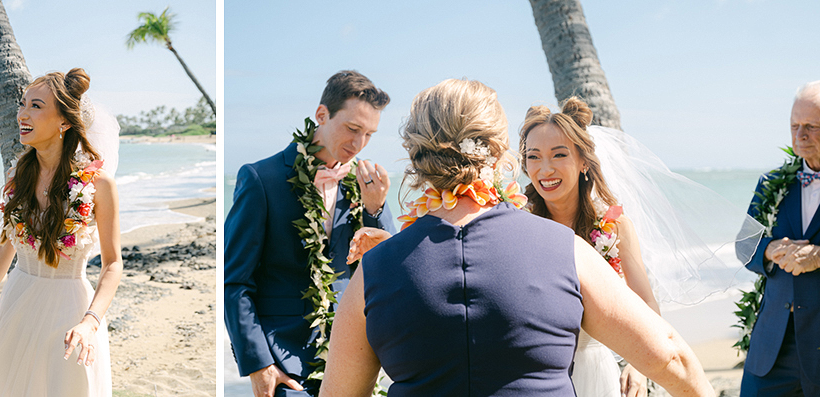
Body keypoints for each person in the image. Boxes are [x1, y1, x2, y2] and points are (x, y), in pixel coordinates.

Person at [319, 78, 713, 397]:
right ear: (500, 150)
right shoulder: (566, 251)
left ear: (416, 153)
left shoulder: (372, 274)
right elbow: (672, 358)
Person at [224, 70, 396, 396]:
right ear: (321, 115)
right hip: (284, 363)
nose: (359, 143)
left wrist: (375, 210)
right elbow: (235, 282)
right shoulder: (261, 179)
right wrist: (259, 364)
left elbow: (386, 270)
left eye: (369, 134)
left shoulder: (366, 186)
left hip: (353, 356)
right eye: (352, 128)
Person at [0, 68, 121, 397]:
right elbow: (8, 242)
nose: (22, 113)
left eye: (36, 106)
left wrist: (90, 322)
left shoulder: (98, 184)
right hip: (17, 300)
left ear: (65, 122)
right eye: (23, 104)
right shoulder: (18, 174)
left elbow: (112, 264)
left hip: (70, 311)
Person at [518, 97, 659, 397]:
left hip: (595, 373)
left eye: (559, 155)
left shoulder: (616, 228)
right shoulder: (516, 225)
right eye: (533, 157)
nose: (545, 169)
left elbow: (646, 305)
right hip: (532, 372)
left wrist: (639, 365)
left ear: (584, 162)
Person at [740, 81, 820, 396]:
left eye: (811, 127)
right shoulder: (771, 183)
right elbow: (744, 245)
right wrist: (771, 249)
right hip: (771, 351)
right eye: (794, 125)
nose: (800, 135)